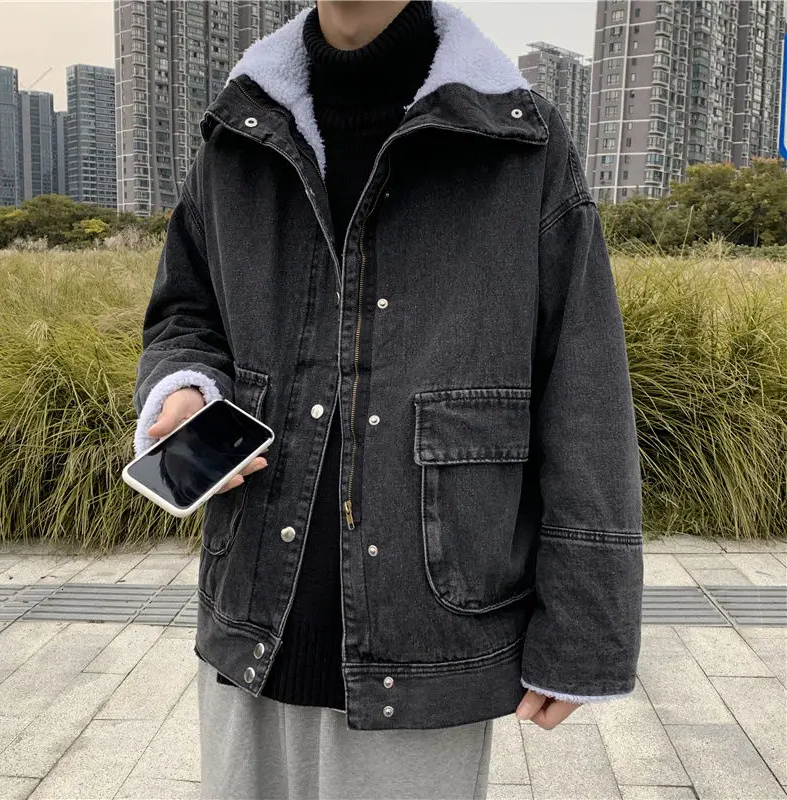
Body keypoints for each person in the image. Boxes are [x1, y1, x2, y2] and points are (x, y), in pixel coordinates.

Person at [132, 1, 644, 797]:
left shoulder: (519, 140)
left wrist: (585, 634)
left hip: (427, 626)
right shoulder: (239, 132)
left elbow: (584, 388)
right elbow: (185, 315)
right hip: (253, 611)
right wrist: (187, 390)